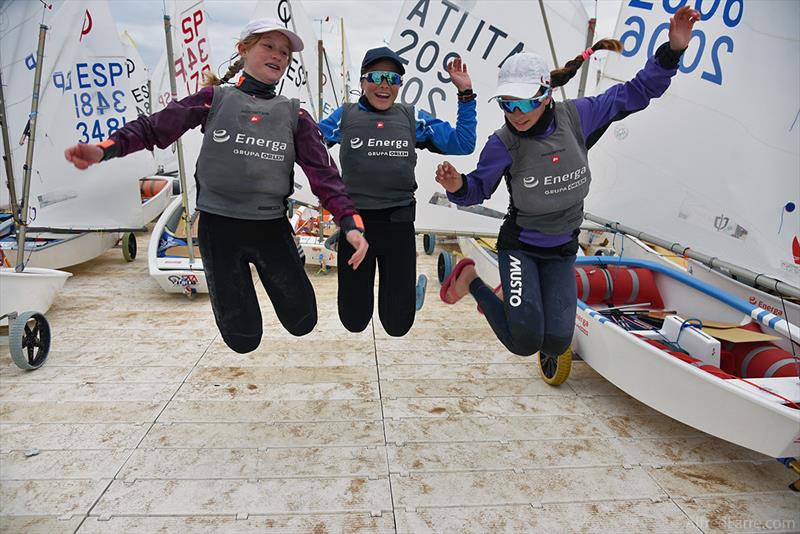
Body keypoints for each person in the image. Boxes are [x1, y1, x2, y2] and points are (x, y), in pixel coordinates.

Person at [64, 18, 369, 354]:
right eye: (269, 46)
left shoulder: (295, 116)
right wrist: (104, 150)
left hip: (270, 228)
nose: (279, 56)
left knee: (303, 321)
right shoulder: (213, 99)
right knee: (243, 340)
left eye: (285, 53)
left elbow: (325, 176)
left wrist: (350, 222)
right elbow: (154, 128)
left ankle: (290, 258)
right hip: (218, 229)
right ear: (243, 49)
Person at [434, 7, 700, 374]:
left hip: (562, 249)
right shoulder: (503, 143)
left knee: (558, 342)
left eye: (526, 101)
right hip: (521, 246)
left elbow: (639, 92)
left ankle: (519, 302)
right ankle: (471, 280)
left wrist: (673, 50)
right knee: (524, 341)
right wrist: (457, 185)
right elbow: (476, 190)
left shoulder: (578, 117)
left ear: (546, 94)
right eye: (508, 103)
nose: (516, 112)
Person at [319, 46, 476, 336]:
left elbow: (463, 143)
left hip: (398, 225)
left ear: (400, 85)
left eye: (393, 79)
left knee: (397, 325)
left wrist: (465, 94)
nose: (384, 85)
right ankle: (396, 295)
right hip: (356, 227)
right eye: (376, 76)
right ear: (363, 82)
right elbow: (308, 144)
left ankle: (410, 293)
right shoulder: (346, 115)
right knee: (353, 321)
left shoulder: (411, 118)